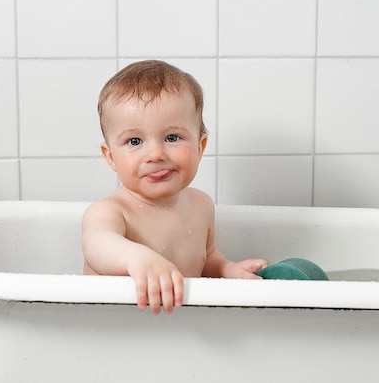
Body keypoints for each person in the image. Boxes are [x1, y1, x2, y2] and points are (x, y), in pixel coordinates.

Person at [81, 60, 268, 315]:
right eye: (134, 141)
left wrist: (227, 269)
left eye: (172, 138)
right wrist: (136, 259)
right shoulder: (111, 211)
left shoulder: (201, 205)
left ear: (200, 147)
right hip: (114, 329)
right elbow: (97, 245)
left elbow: (206, 257)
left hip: (175, 331)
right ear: (110, 156)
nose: (155, 154)